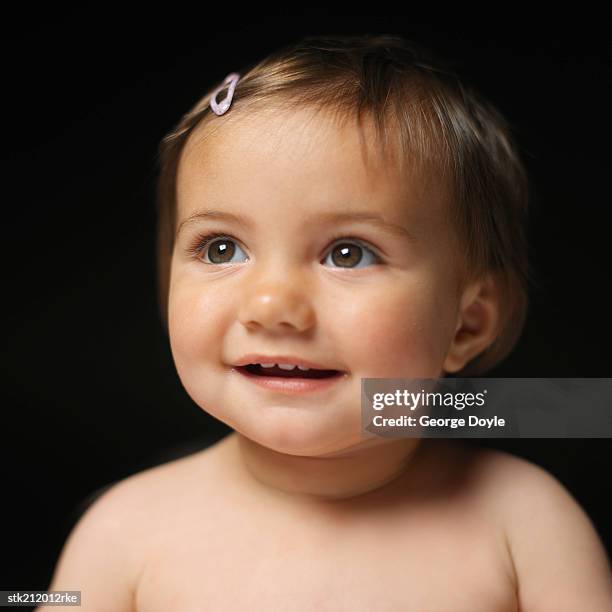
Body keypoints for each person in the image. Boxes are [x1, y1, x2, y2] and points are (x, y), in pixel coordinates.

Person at [39, 34, 612, 610]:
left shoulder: (524, 525)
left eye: (348, 253)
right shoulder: (124, 531)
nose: (269, 305)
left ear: (465, 326)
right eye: (220, 249)